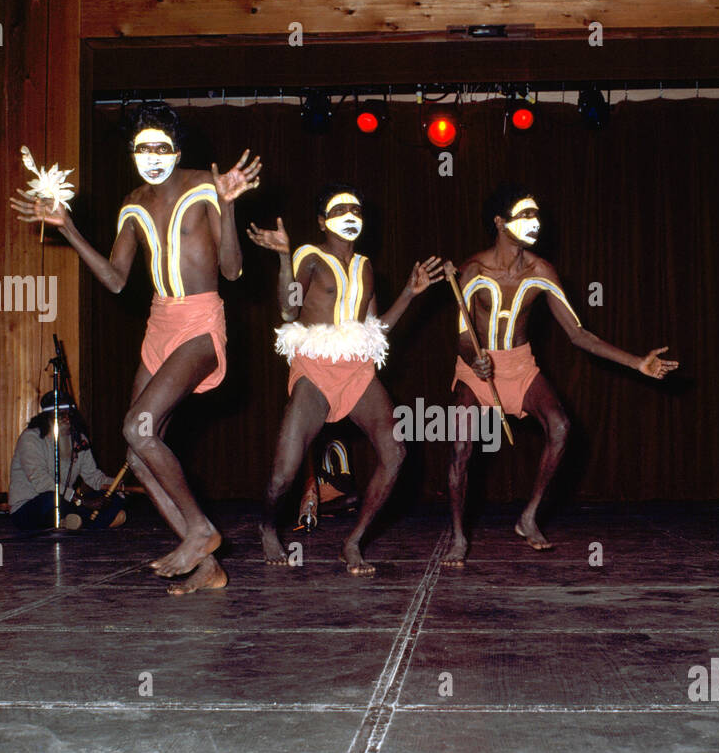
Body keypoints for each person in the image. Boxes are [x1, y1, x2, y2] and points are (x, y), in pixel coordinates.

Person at [9, 101, 261, 593]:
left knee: (137, 427)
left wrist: (228, 208)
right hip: (159, 322)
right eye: (141, 147)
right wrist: (68, 229)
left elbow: (232, 271)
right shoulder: (132, 203)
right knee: (138, 451)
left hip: (200, 321)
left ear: (177, 148)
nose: (151, 155)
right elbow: (117, 280)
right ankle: (207, 569)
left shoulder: (204, 186)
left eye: (160, 146)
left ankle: (201, 531)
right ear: (132, 153)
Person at [444, 183, 679, 566]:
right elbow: (461, 337)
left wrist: (638, 362)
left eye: (536, 214)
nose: (534, 222)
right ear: (500, 223)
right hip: (477, 367)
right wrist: (475, 360)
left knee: (560, 426)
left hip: (519, 366)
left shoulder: (541, 271)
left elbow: (578, 334)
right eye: (524, 215)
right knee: (460, 448)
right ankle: (457, 535)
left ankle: (529, 516)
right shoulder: (473, 270)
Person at [247, 184, 442, 575]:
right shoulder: (309, 255)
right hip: (316, 365)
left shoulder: (367, 266)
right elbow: (288, 311)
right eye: (340, 209)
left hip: (356, 369)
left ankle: (352, 541)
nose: (351, 213)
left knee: (396, 452)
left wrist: (409, 291)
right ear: (322, 222)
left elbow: (375, 329)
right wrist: (285, 256)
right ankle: (267, 525)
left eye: (357, 208)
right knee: (285, 471)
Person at [9, 392, 125, 530]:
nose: (66, 419)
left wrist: (114, 486)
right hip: (32, 506)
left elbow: (93, 476)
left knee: (115, 501)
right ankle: (81, 523)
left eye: (68, 414)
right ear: (47, 417)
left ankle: (72, 523)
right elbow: (41, 482)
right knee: (52, 500)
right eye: (59, 415)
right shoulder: (30, 439)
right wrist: (80, 501)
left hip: (67, 502)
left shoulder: (79, 440)